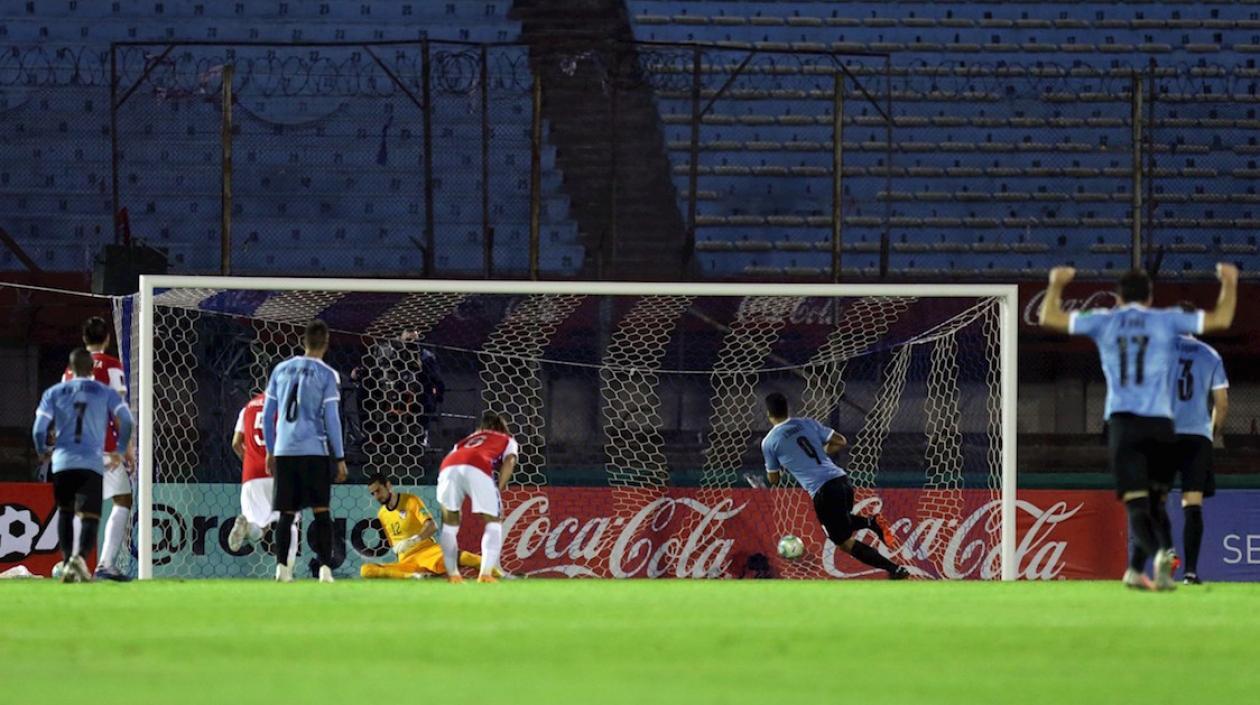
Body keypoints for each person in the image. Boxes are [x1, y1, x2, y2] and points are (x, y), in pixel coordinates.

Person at [1039, 264, 1236, 591]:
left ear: (1118, 297)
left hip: (1124, 422)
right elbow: (1221, 319)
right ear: (1150, 297)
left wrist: (1056, 283)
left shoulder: (1104, 320)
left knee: (1136, 502)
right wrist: (1229, 282)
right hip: (1161, 424)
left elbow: (1049, 317)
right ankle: (1137, 570)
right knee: (1156, 503)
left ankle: (1161, 554)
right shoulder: (1166, 320)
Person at [759, 392, 908, 580]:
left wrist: (783, 469)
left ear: (768, 413)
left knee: (843, 541)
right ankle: (872, 525)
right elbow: (840, 441)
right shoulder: (807, 423)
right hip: (842, 481)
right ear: (787, 408)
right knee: (842, 524)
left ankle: (894, 568)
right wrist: (820, 454)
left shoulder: (769, 442)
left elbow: (774, 479)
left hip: (823, 490)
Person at [34, 348, 134, 583]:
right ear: (90, 369)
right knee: (111, 504)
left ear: (70, 368)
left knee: (69, 510)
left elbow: (40, 429)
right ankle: (101, 563)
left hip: (64, 456)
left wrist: (43, 451)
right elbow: (124, 419)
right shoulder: (102, 390)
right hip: (97, 454)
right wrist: (123, 449)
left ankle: (69, 561)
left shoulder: (55, 391)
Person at [261, 320, 348, 583]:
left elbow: (268, 415)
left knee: (286, 514)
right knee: (321, 511)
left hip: (285, 451)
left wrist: (270, 450)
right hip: (314, 452)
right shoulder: (327, 374)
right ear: (326, 343)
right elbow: (332, 418)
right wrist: (340, 457)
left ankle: (281, 568)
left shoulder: (280, 369)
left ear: (304, 341)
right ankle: (325, 569)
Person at [60, 316, 133, 581]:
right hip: (104, 446)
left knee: (81, 504)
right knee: (123, 499)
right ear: (107, 339)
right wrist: (127, 446)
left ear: (84, 339)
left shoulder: (70, 370)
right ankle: (105, 563)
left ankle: (72, 562)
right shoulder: (112, 365)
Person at [1162, 313, 1229, 585]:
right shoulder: (1210, 355)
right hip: (1197, 438)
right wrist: (1211, 435)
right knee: (1192, 504)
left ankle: (1167, 551)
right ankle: (1190, 572)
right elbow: (1221, 403)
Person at [359, 472, 492, 579]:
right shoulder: (382, 514)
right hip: (407, 562)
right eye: (373, 493)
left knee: (466, 558)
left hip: (427, 552)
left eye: (378, 490)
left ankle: (498, 573)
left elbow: (432, 526)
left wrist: (413, 540)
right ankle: (414, 577)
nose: (376, 496)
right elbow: (394, 543)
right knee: (366, 570)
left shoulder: (411, 500)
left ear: (388, 485)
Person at [436, 411, 517, 584]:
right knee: (493, 521)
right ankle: (485, 574)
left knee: (450, 524)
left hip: (448, 465)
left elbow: (453, 456)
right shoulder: (507, 440)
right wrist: (498, 488)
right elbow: (510, 461)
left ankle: (453, 575)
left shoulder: (466, 440)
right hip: (477, 464)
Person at [226, 392, 299, 569]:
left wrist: (250, 462)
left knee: (258, 526)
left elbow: (236, 443)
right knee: (289, 521)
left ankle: (247, 527)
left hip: (252, 475)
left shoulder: (247, 408)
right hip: (280, 471)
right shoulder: (287, 406)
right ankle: (286, 568)